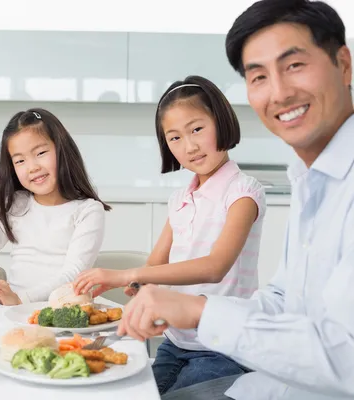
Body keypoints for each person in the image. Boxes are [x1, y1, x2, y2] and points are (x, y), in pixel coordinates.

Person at [117, 1, 354, 399]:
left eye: (294, 65)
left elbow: (345, 356)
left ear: (343, 64)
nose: (278, 91)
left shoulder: (249, 189)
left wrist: (202, 312)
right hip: (276, 376)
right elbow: (282, 299)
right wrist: (185, 305)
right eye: (258, 76)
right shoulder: (313, 180)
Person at [73, 75, 265, 394]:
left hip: (226, 347)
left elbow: (215, 266)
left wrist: (126, 275)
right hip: (175, 342)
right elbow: (153, 269)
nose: (188, 146)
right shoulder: (179, 199)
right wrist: (127, 288)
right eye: (174, 138)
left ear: (221, 119)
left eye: (197, 129)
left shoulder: (243, 192)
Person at [0, 108, 110, 305]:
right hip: (15, 311)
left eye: (41, 153)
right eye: (20, 160)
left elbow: (73, 274)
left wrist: (20, 299)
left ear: (63, 150)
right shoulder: (15, 205)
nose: (32, 167)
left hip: (61, 309)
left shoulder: (87, 211)